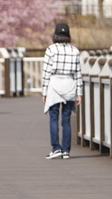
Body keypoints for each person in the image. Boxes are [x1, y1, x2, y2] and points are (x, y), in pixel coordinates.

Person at [41, 23, 82, 160]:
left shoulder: (51, 50)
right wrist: (80, 93)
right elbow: (78, 74)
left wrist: (44, 91)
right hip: (70, 84)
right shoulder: (74, 51)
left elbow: (46, 72)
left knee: (53, 118)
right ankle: (66, 151)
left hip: (55, 84)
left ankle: (56, 148)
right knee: (66, 120)